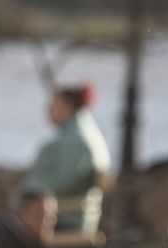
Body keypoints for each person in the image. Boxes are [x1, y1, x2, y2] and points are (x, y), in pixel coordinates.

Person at [24, 83, 112, 237]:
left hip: (67, 218)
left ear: (67, 106)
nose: (48, 109)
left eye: (54, 104)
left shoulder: (76, 138)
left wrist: (30, 188)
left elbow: (67, 180)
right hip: (69, 214)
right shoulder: (82, 131)